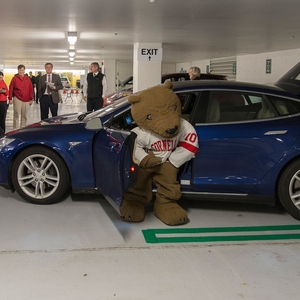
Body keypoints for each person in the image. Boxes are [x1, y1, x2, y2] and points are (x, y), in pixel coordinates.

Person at [8, 64, 34, 129]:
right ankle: (15, 129)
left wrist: (31, 98)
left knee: (24, 115)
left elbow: (31, 89)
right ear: (18, 70)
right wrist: (10, 98)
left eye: (22, 70)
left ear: (24, 70)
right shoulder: (14, 78)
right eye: (20, 70)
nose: (21, 71)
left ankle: (23, 128)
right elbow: (11, 88)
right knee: (16, 114)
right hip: (17, 98)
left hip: (26, 99)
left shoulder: (27, 79)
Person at [0, 71, 9, 137]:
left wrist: (4, 91)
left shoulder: (4, 83)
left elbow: (7, 93)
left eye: (1, 77)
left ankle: (2, 132)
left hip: (3, 102)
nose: (0, 79)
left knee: (2, 118)